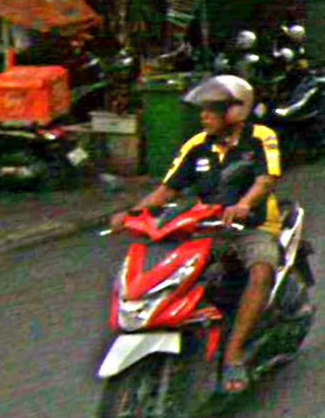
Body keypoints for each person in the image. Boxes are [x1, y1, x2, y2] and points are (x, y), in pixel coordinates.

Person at [110, 75, 282, 393]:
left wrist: (244, 205)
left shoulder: (260, 137)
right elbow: (167, 190)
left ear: (235, 111)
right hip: (206, 228)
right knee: (174, 271)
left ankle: (233, 355)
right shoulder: (197, 145)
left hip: (252, 227)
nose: (204, 116)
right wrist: (133, 213)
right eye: (203, 109)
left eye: (212, 110)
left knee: (261, 272)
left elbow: (266, 179)